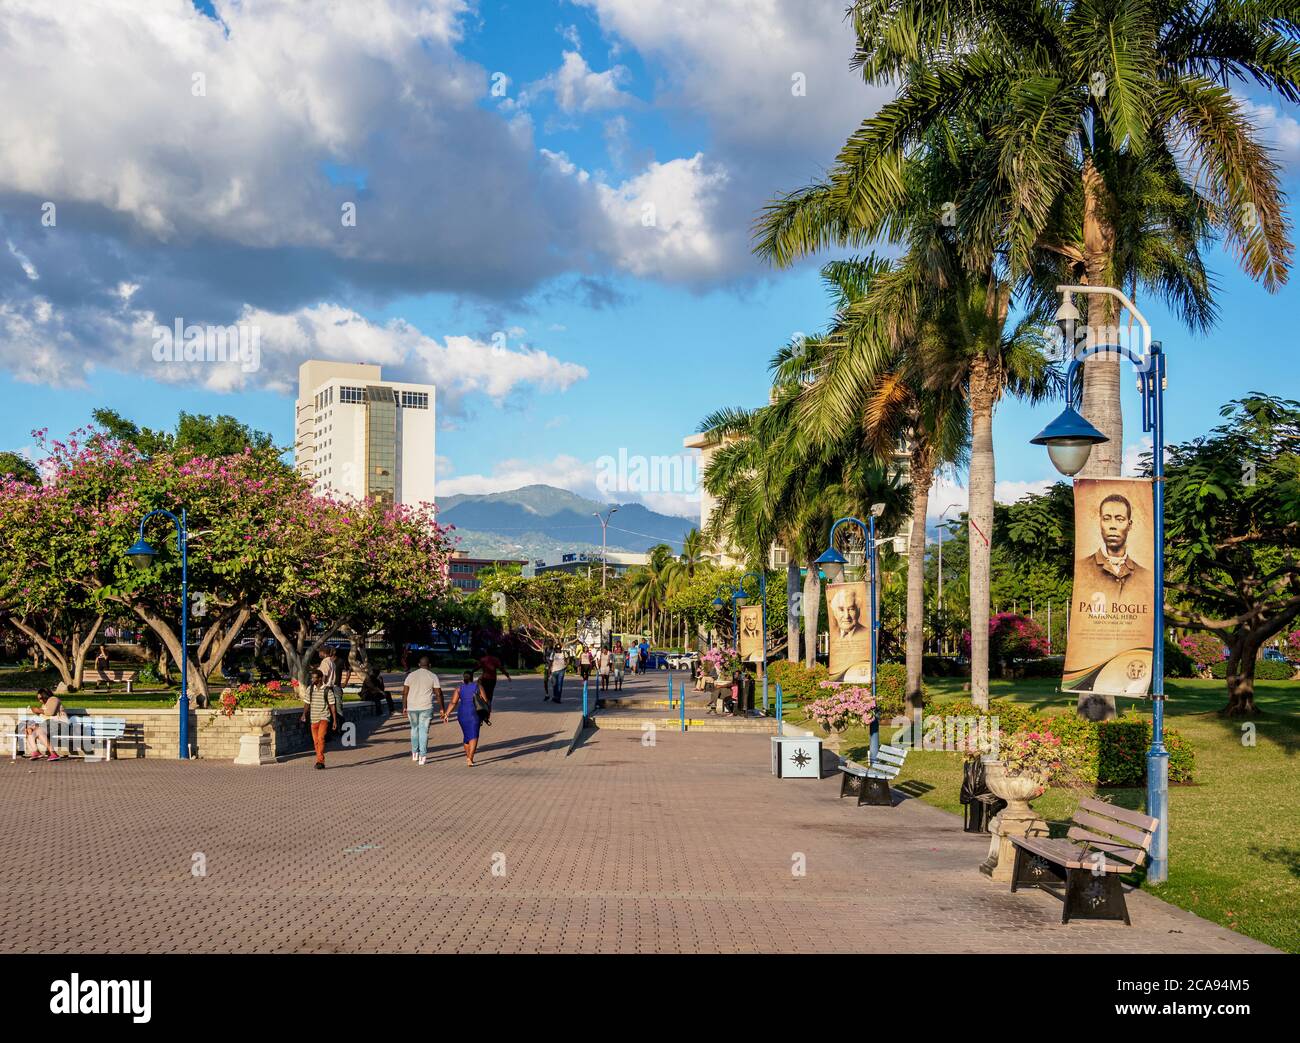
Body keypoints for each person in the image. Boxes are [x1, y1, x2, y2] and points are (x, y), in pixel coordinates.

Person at [1077, 492, 1153, 602]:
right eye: (1107, 519)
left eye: (1120, 519)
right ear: (1100, 523)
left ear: (1129, 525)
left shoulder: (1145, 576)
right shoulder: (1082, 568)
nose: (1113, 526)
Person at [402, 655, 444, 766]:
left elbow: (405, 692)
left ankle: (414, 753)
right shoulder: (433, 676)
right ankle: (423, 756)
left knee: (414, 729)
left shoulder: (410, 675)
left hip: (412, 707)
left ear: (419, 665)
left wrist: (404, 707)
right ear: (429, 665)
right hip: (426, 707)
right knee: (424, 731)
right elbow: (438, 693)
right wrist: (442, 709)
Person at [298, 668, 339, 769]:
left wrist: (334, 720)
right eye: (312, 678)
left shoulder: (327, 690)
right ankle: (319, 760)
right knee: (316, 741)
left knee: (321, 738)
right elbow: (307, 703)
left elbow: (332, 706)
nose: (312, 680)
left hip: (324, 717)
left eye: (314, 678)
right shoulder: (310, 689)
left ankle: (320, 761)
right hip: (313, 718)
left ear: (320, 678)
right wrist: (304, 714)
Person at [443, 669, 483, 766]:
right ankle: (470, 758)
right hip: (474, 713)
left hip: (462, 714)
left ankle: (468, 757)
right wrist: (487, 713)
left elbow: (453, 702)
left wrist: (447, 714)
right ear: (472, 678)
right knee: (474, 736)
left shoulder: (459, 688)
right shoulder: (478, 687)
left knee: (466, 736)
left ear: (463, 678)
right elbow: (484, 700)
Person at [23, 688, 68, 760]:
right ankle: (36, 751)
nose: (40, 700)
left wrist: (38, 710)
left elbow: (50, 713)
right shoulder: (45, 704)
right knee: (29, 729)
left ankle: (53, 753)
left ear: (45, 695)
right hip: (49, 724)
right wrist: (37, 712)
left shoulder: (53, 699)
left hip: (60, 724)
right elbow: (44, 716)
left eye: (40, 698)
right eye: (38, 699)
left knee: (39, 731)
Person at [475, 649, 511, 725]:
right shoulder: (495, 660)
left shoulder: (483, 659)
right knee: (489, 697)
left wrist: (470, 672)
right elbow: (501, 668)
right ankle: (487, 715)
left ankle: (481, 714)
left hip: (484, 679)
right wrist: (507, 675)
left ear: (486, 652)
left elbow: (477, 667)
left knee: (482, 696)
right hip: (492, 680)